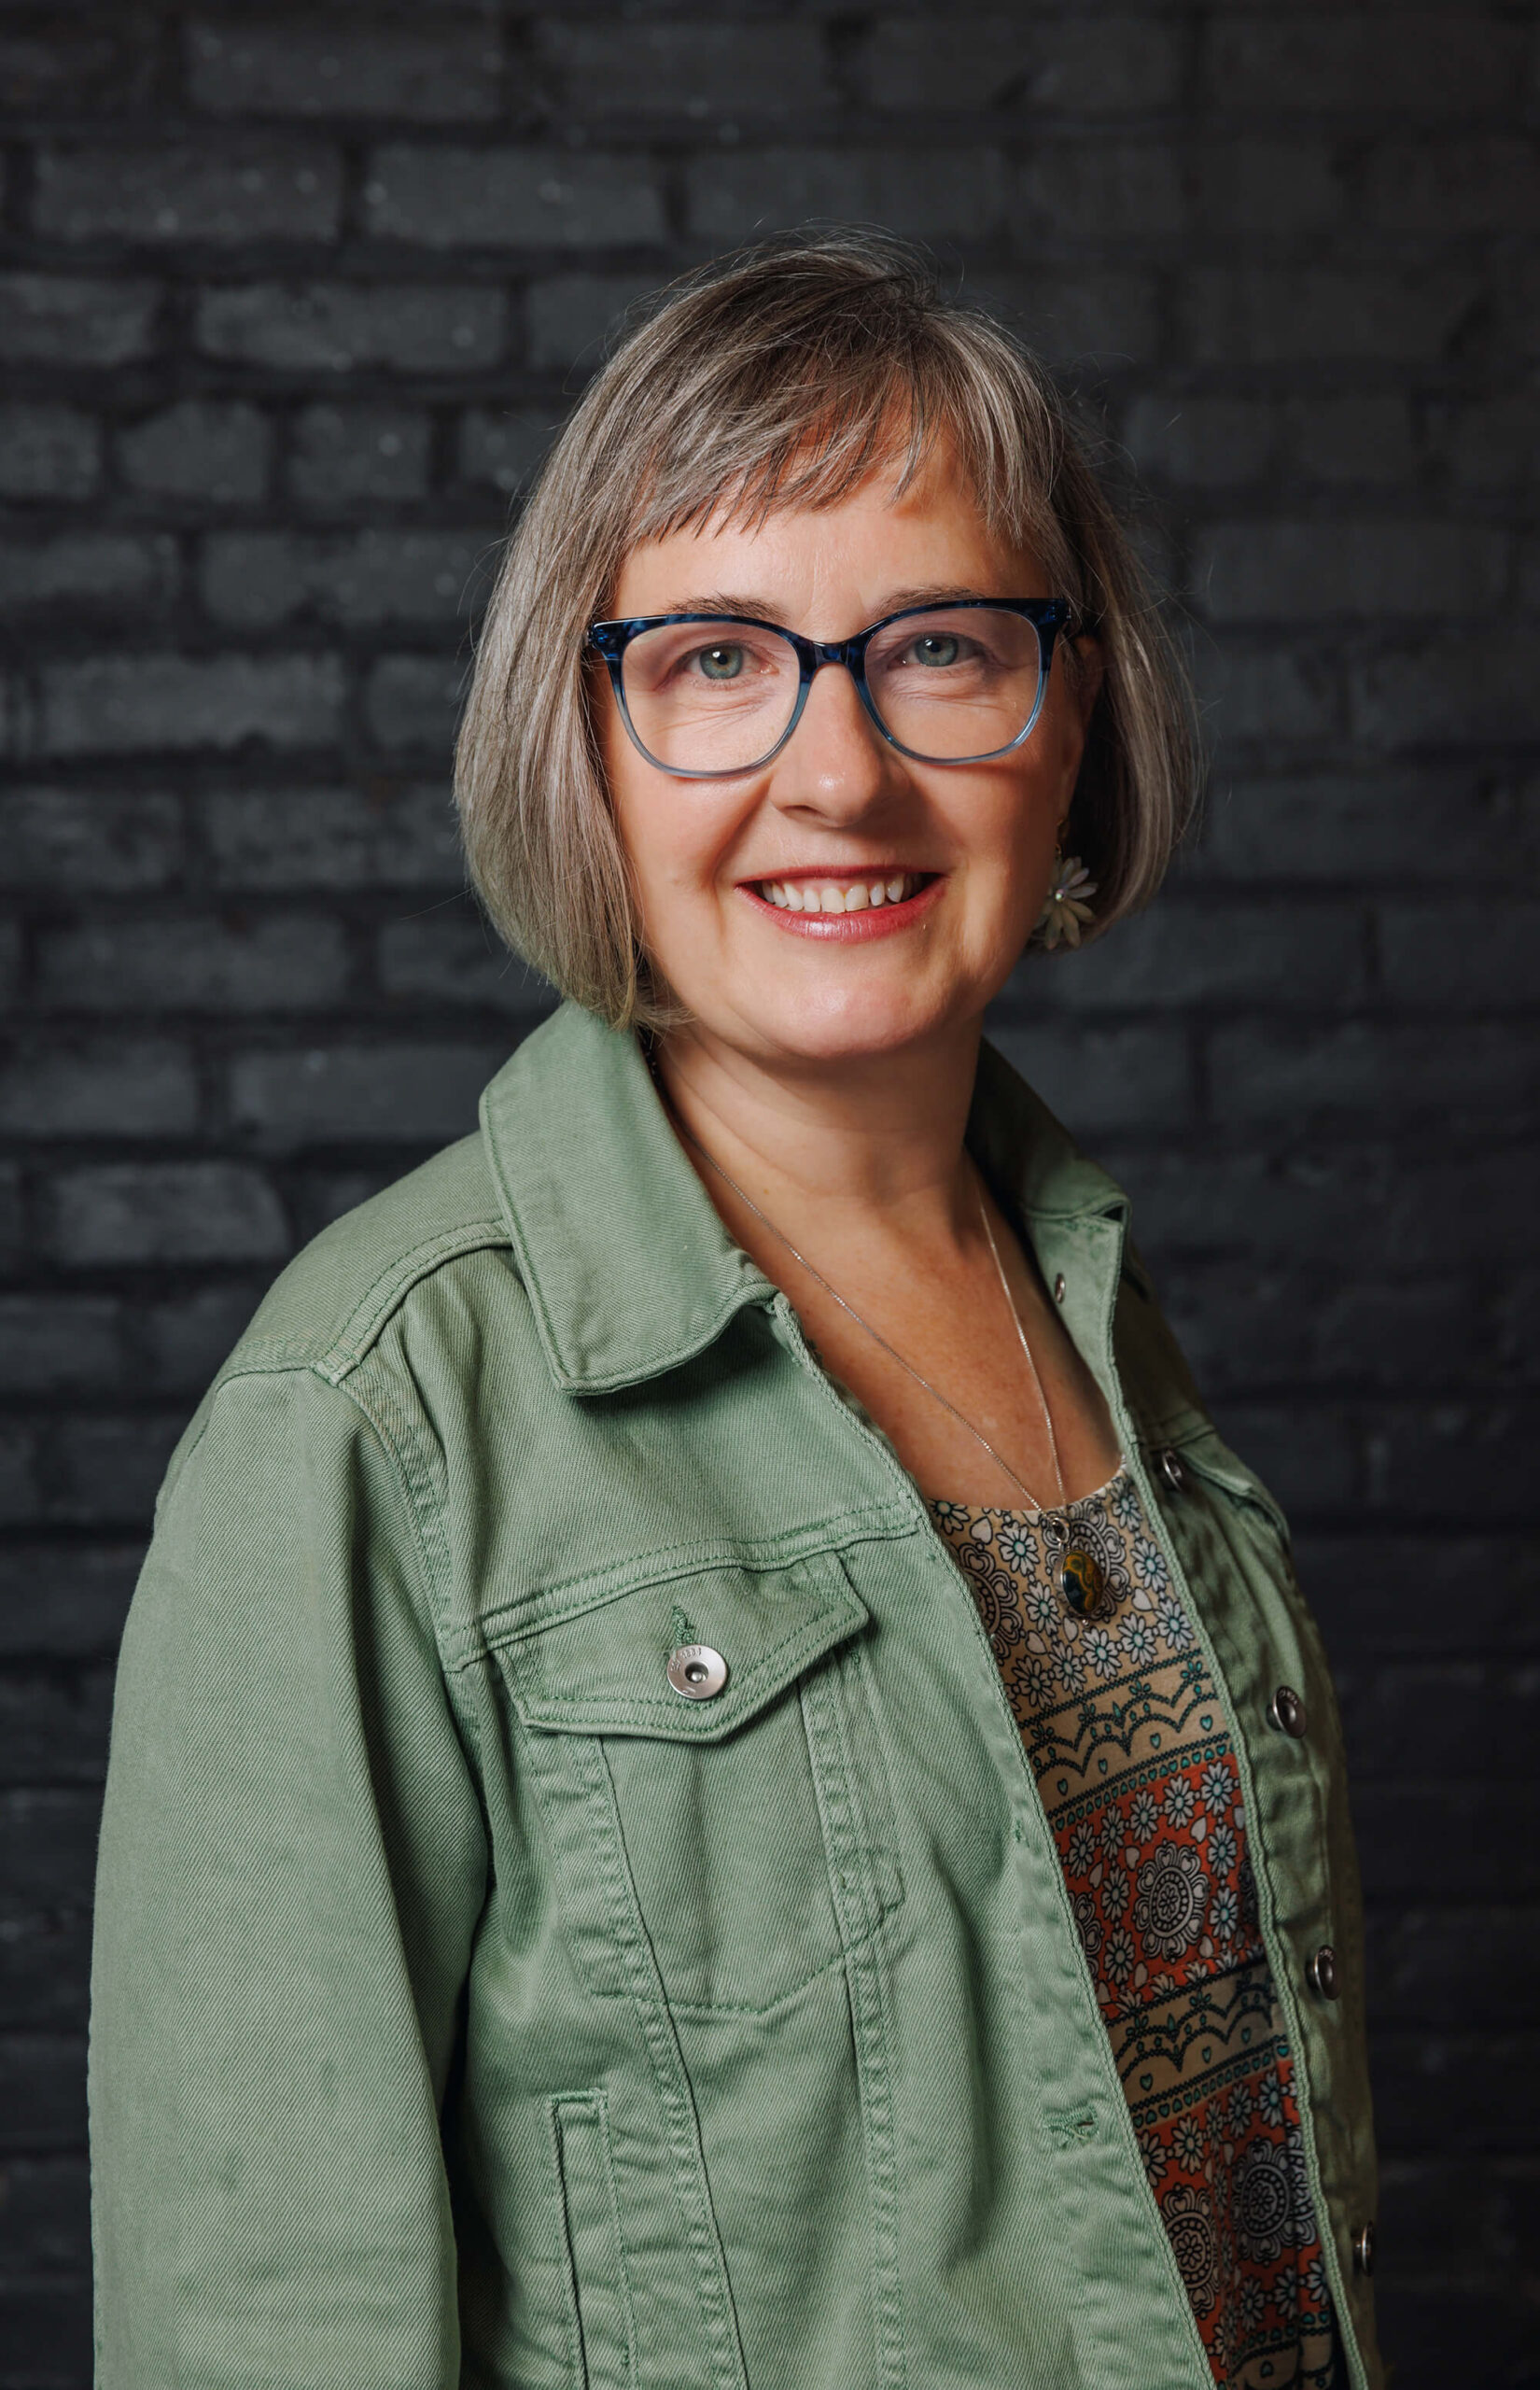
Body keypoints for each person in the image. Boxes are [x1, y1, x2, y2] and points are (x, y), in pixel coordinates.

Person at [91, 232, 1381, 2390]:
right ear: (581, 740)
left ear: (1075, 731)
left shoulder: (1097, 1319)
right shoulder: (374, 1415)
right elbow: (264, 2325)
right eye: (711, 659)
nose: (839, 771)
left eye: (944, 649)